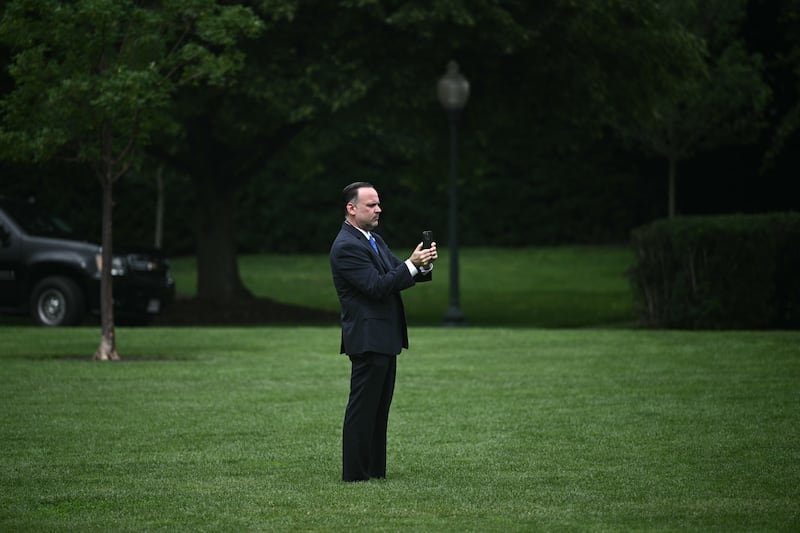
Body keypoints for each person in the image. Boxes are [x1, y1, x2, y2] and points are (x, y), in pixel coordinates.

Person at [329, 182, 438, 482]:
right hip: (367, 339)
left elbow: (396, 274)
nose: (379, 209)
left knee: (378, 410)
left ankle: (374, 471)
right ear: (351, 208)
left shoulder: (372, 239)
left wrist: (422, 265)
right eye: (371, 205)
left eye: (378, 204)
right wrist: (411, 265)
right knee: (362, 409)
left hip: (384, 338)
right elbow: (377, 287)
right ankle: (355, 473)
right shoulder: (346, 246)